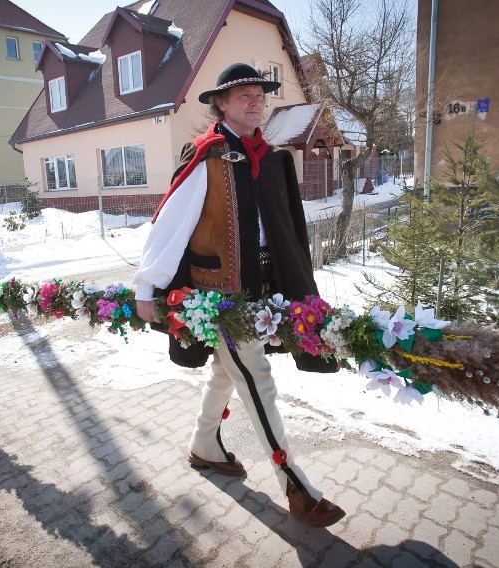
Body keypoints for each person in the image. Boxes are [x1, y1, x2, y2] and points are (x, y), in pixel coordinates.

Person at [134, 63, 347, 528]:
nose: (255, 102)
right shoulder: (208, 154)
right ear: (222, 104)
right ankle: (294, 482)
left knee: (227, 373)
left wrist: (298, 289)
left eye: (260, 95)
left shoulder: (271, 159)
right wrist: (147, 284)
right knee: (256, 377)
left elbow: (289, 228)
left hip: (265, 290)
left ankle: (204, 446)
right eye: (244, 95)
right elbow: (170, 223)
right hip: (220, 296)